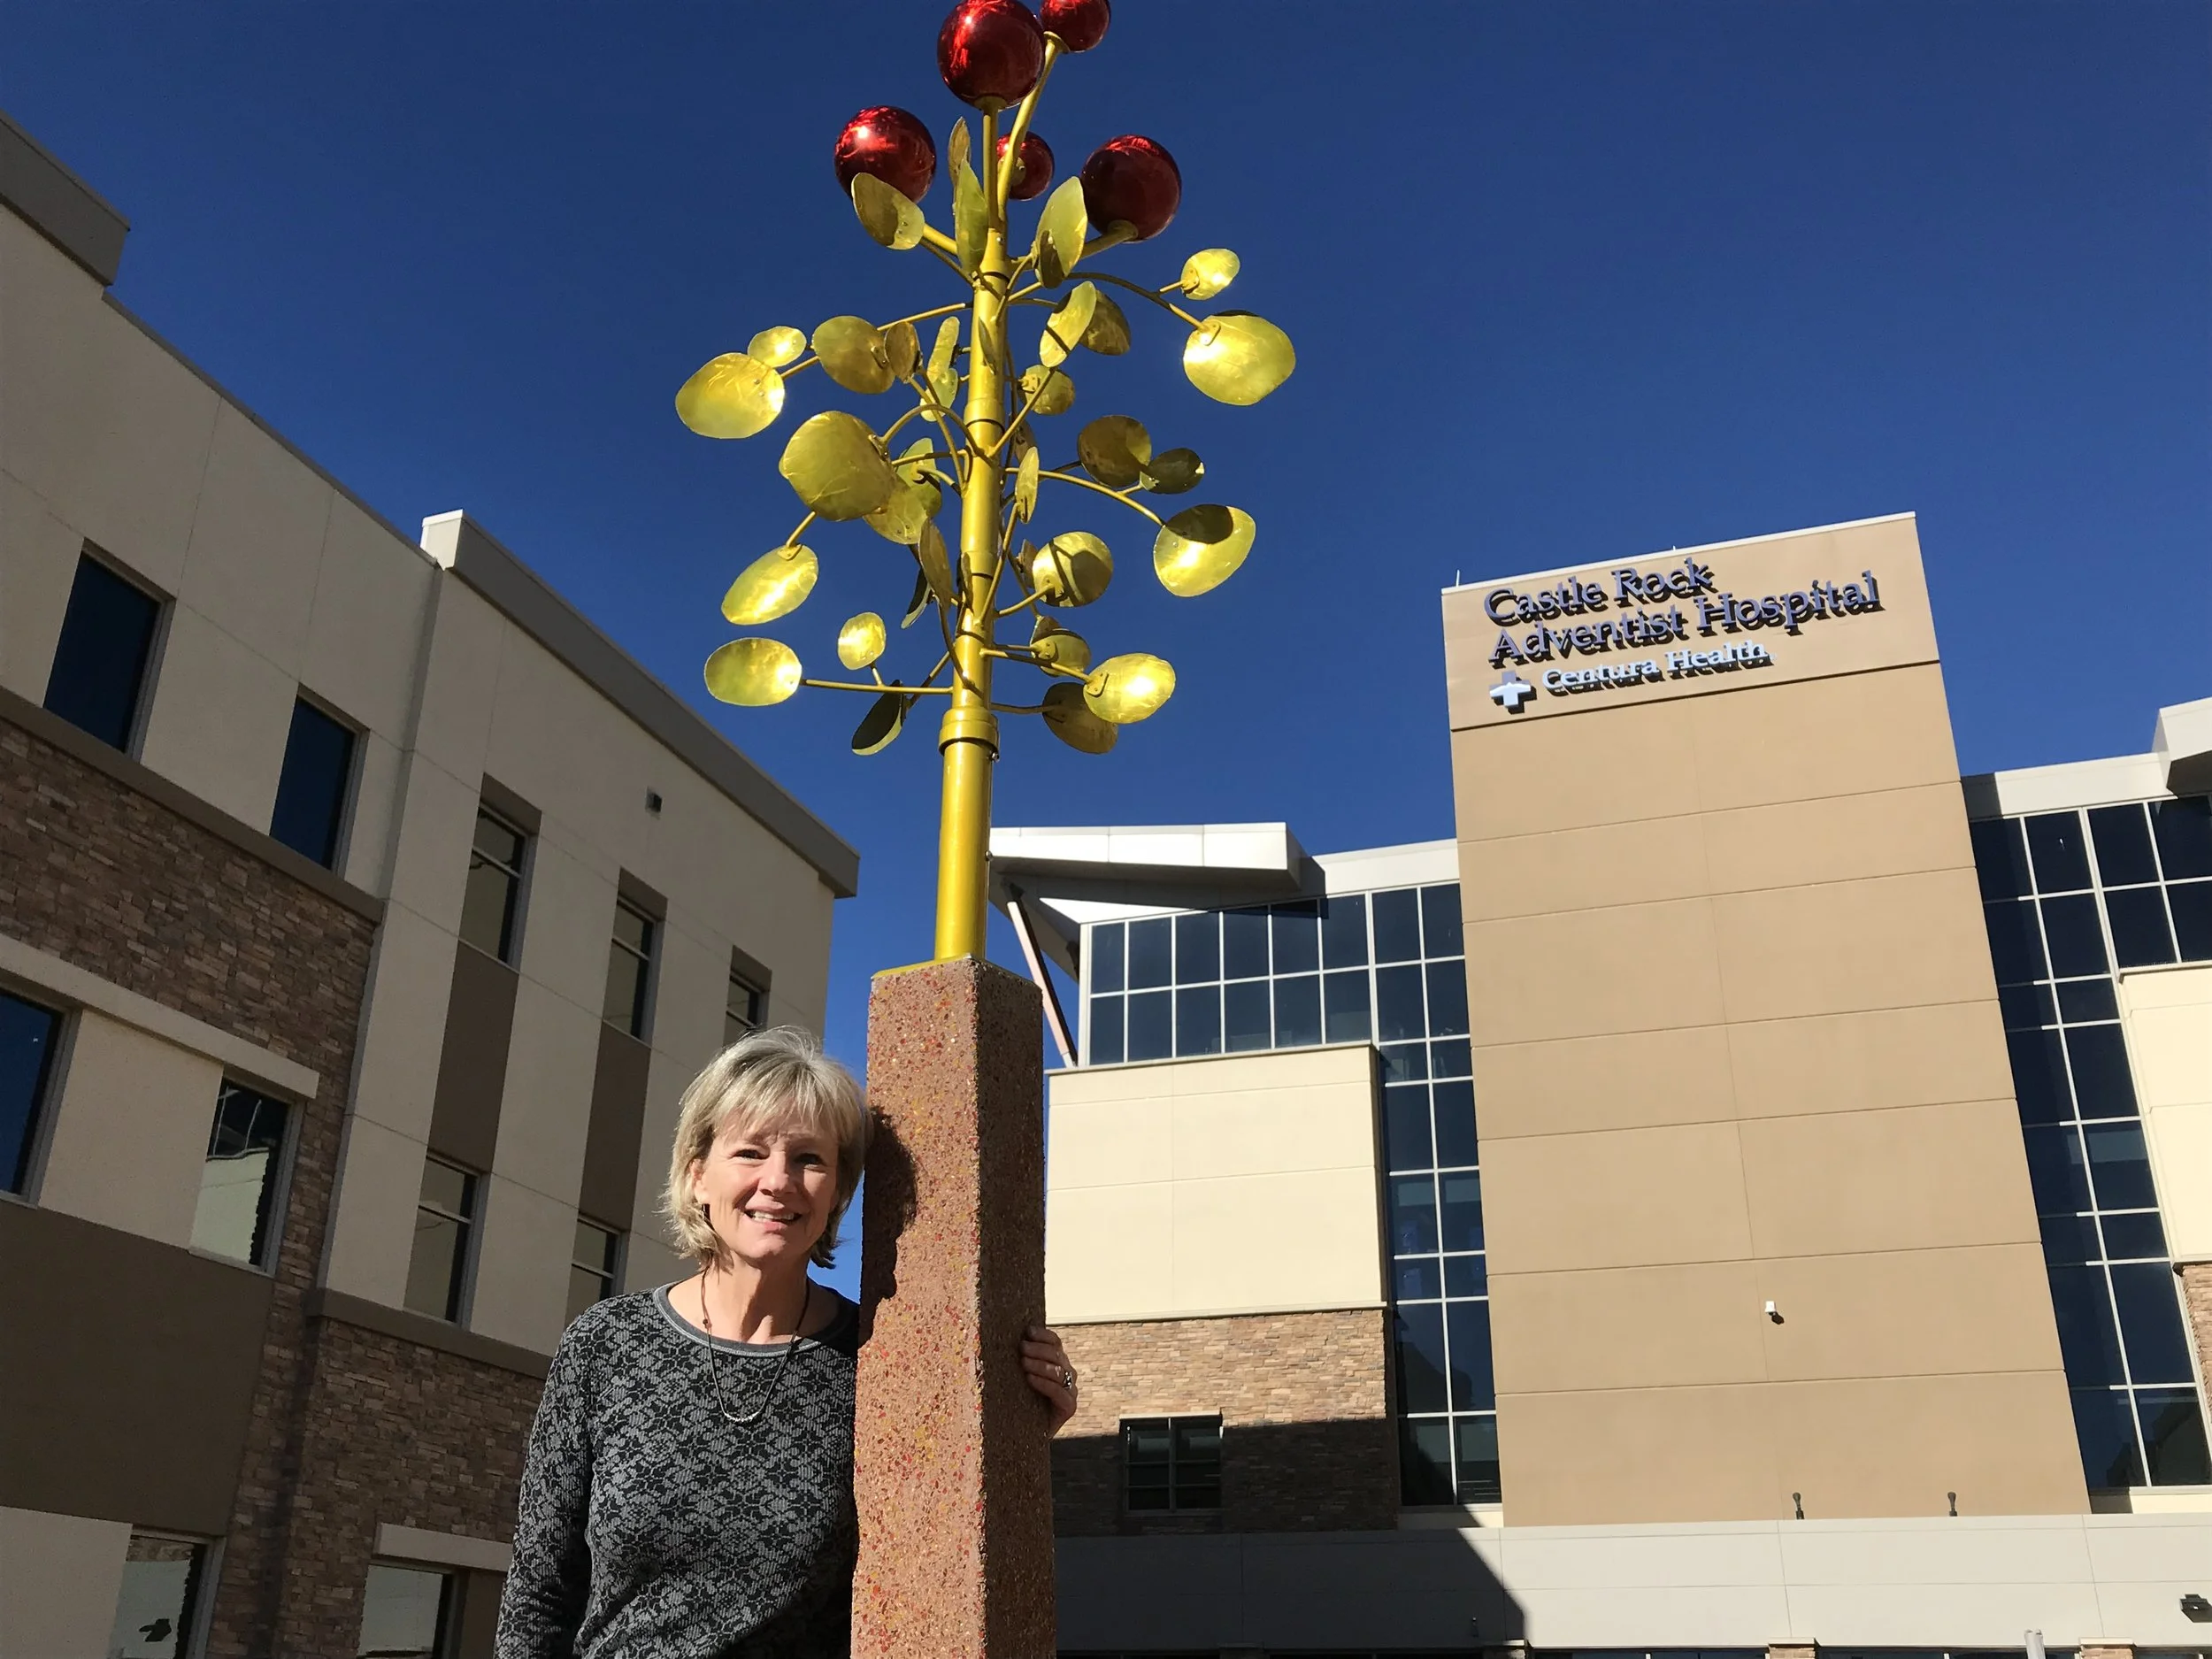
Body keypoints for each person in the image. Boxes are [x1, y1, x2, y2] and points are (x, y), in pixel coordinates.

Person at [496, 1026, 1079, 1657]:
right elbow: (537, 1594)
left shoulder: (874, 1361)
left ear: (837, 1193)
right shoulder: (605, 1344)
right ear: (698, 1176)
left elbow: (937, 1552)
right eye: (750, 1152)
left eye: (809, 1159)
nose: (778, 1180)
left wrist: (1022, 1436)